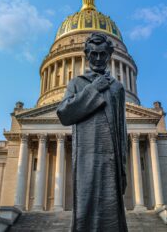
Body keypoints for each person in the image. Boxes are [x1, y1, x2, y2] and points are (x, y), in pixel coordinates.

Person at [56, 33, 128, 232]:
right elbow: (64, 114)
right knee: (85, 207)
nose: (98, 59)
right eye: (93, 54)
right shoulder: (77, 84)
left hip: (111, 160)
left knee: (112, 213)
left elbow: (122, 131)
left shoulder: (118, 88)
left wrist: (123, 167)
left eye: (102, 54)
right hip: (86, 157)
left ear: (109, 55)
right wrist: (94, 89)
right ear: (87, 55)